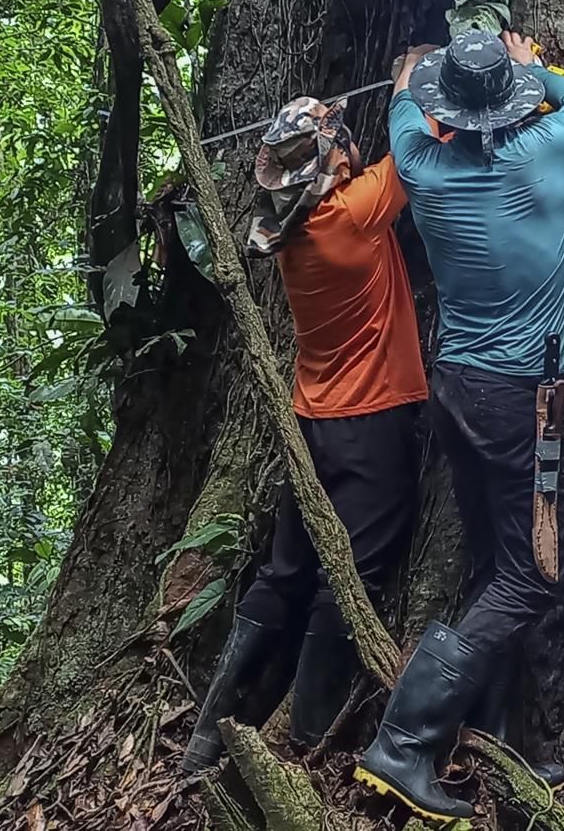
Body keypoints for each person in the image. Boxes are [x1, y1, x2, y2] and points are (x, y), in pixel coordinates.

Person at [353, 29, 564, 821]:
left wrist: (412, 71)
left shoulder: (419, 166)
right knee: (535, 574)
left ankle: (496, 732)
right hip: (526, 400)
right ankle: (403, 741)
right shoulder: (548, 152)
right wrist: (535, 67)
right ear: (514, 103)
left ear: (445, 111)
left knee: (498, 560)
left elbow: (399, 98)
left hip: (455, 388)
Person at [181, 96, 426, 771]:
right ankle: (305, 739)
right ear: (335, 162)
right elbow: (416, 148)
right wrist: (410, 82)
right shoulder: (352, 214)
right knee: (353, 576)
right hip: (370, 424)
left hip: (312, 422)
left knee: (284, 570)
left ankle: (207, 736)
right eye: (341, 140)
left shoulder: (287, 228)